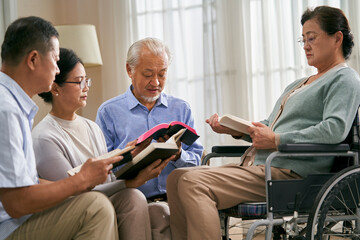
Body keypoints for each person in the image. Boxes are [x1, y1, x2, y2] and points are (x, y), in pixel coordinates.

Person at [166, 6, 360, 240]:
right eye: (303, 40)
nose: (306, 45)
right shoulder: (300, 83)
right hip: (263, 166)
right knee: (176, 178)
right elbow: (270, 125)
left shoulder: (344, 78)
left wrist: (277, 140)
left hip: (292, 173)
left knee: (192, 182)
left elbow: (334, 130)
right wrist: (237, 130)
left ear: (337, 38)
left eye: (312, 38)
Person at [32, 47, 175, 240]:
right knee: (132, 196)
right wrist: (130, 183)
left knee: (141, 201)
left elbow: (108, 180)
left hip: (100, 199)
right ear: (55, 88)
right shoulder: (44, 137)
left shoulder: (91, 127)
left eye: (86, 80)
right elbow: (73, 194)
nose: (86, 87)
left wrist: (129, 154)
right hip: (74, 210)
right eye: (78, 81)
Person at [0, 16, 120, 240]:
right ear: (33, 59)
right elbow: (16, 202)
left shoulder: (13, 104)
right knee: (95, 207)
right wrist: (80, 180)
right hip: (8, 228)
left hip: (18, 219)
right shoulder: (6, 110)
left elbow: (28, 184)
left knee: (96, 201)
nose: (57, 69)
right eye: (55, 60)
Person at [96, 37, 203, 239]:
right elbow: (103, 171)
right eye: (148, 74)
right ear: (129, 70)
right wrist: (129, 156)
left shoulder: (181, 109)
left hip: (178, 200)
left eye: (162, 75)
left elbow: (197, 161)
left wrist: (179, 153)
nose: (155, 82)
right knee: (158, 216)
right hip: (134, 201)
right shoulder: (108, 112)